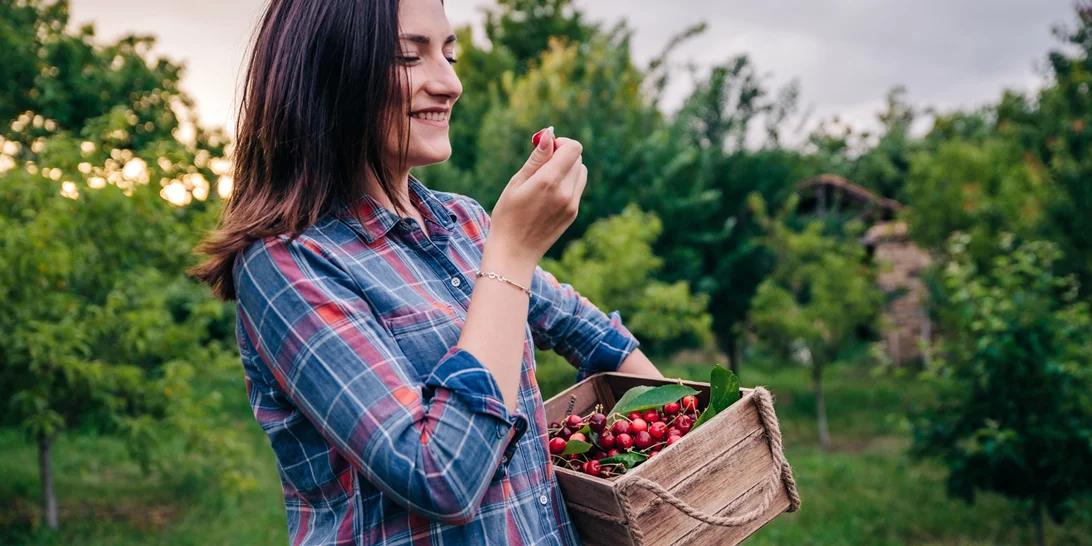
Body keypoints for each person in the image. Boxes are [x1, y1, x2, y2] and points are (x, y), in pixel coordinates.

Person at [191, 0, 663, 544]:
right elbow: (439, 478)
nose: (451, 83)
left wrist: (687, 441)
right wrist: (512, 252)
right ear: (330, 72)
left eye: (450, 53)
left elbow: (589, 332)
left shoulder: (462, 222)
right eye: (407, 57)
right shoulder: (287, 264)